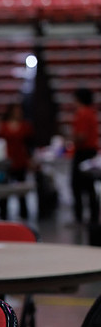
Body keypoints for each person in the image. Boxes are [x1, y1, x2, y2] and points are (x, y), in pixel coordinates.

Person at [0, 102, 34, 220]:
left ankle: (24, 213)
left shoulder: (25, 126)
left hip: (20, 160)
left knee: (21, 189)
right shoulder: (3, 126)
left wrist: (30, 159)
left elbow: (29, 145)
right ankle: (3, 214)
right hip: (7, 161)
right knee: (4, 189)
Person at [70, 87, 99, 225]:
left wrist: (70, 139)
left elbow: (81, 136)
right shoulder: (91, 113)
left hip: (83, 152)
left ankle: (79, 217)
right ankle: (94, 216)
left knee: (77, 185)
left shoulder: (82, 113)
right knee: (89, 186)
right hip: (91, 151)